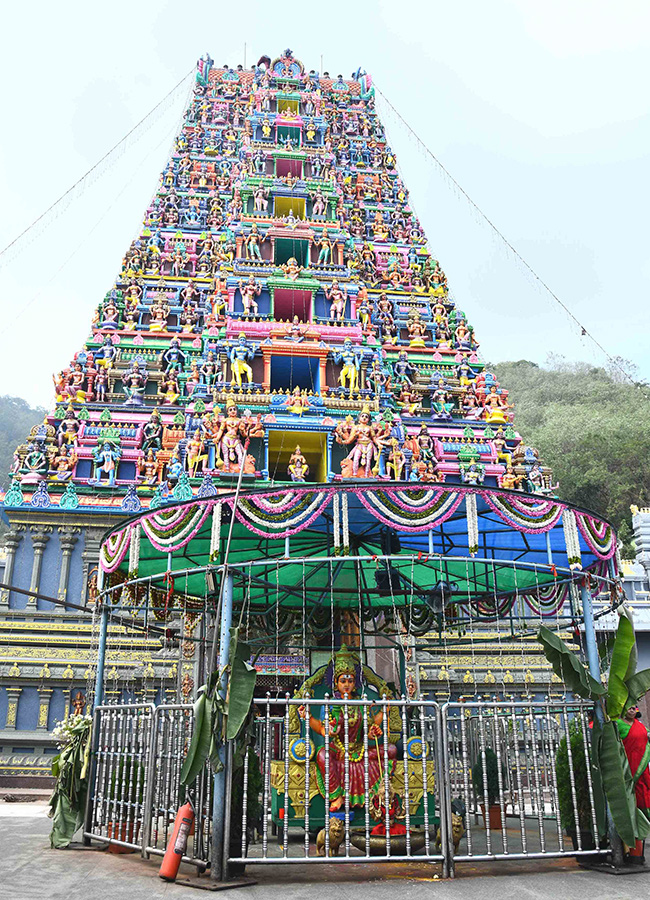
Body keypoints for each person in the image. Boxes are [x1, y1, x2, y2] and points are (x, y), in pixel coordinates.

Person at [298, 646, 397, 811]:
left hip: (360, 750)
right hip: (338, 750)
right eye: (343, 681)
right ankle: (337, 797)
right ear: (336, 683)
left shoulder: (361, 703)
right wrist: (308, 717)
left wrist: (376, 727)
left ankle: (378, 793)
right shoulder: (331, 705)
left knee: (391, 749)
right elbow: (324, 730)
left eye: (350, 681)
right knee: (322, 755)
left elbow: (369, 729)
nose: (346, 685)